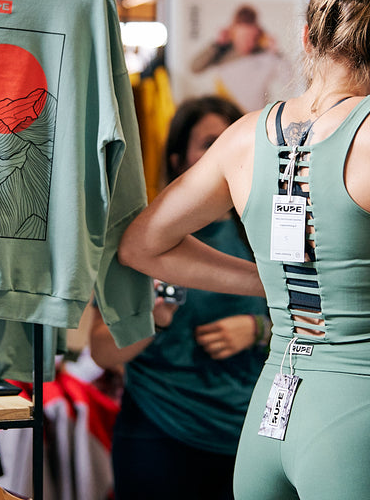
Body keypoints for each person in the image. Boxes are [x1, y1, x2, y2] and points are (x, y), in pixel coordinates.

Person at [118, 0, 370, 500]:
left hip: (272, 409)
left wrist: (273, 282)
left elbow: (141, 245)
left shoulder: (242, 138)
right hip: (368, 409)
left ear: (307, 37)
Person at [90, 95, 271, 500]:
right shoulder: (141, 239)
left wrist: (258, 329)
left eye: (232, 143)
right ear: (177, 160)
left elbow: (310, 321)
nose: (225, 156)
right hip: (159, 431)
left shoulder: (263, 234)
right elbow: (102, 351)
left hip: (246, 434)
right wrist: (152, 318)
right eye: (209, 144)